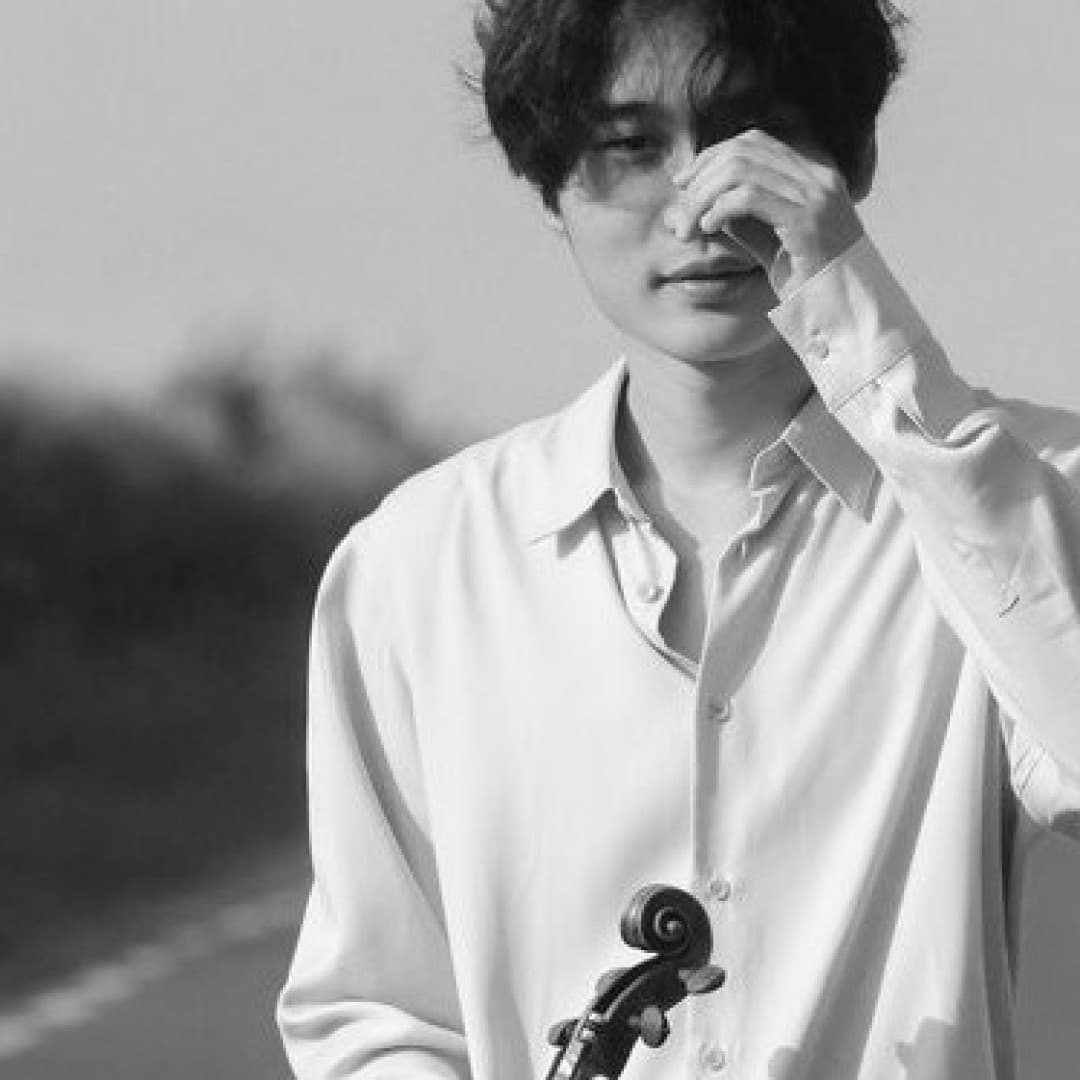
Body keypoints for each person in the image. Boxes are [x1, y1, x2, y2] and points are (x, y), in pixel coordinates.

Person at [277, 1, 1080, 1077]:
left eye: (756, 138)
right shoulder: (415, 564)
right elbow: (373, 1013)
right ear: (549, 188)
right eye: (630, 146)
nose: (705, 202)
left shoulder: (1023, 492)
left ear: (850, 161)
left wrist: (857, 310)